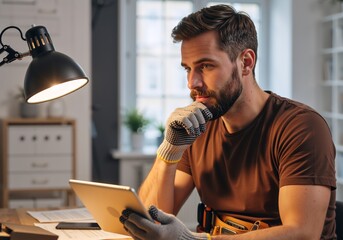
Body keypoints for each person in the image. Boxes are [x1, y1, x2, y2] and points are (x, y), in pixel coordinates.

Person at [120, 4, 336, 240]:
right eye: (188, 69)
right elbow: (150, 223)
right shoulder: (199, 126)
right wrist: (169, 150)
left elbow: (302, 233)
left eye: (206, 66)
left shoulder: (300, 128)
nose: (192, 82)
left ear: (246, 62)